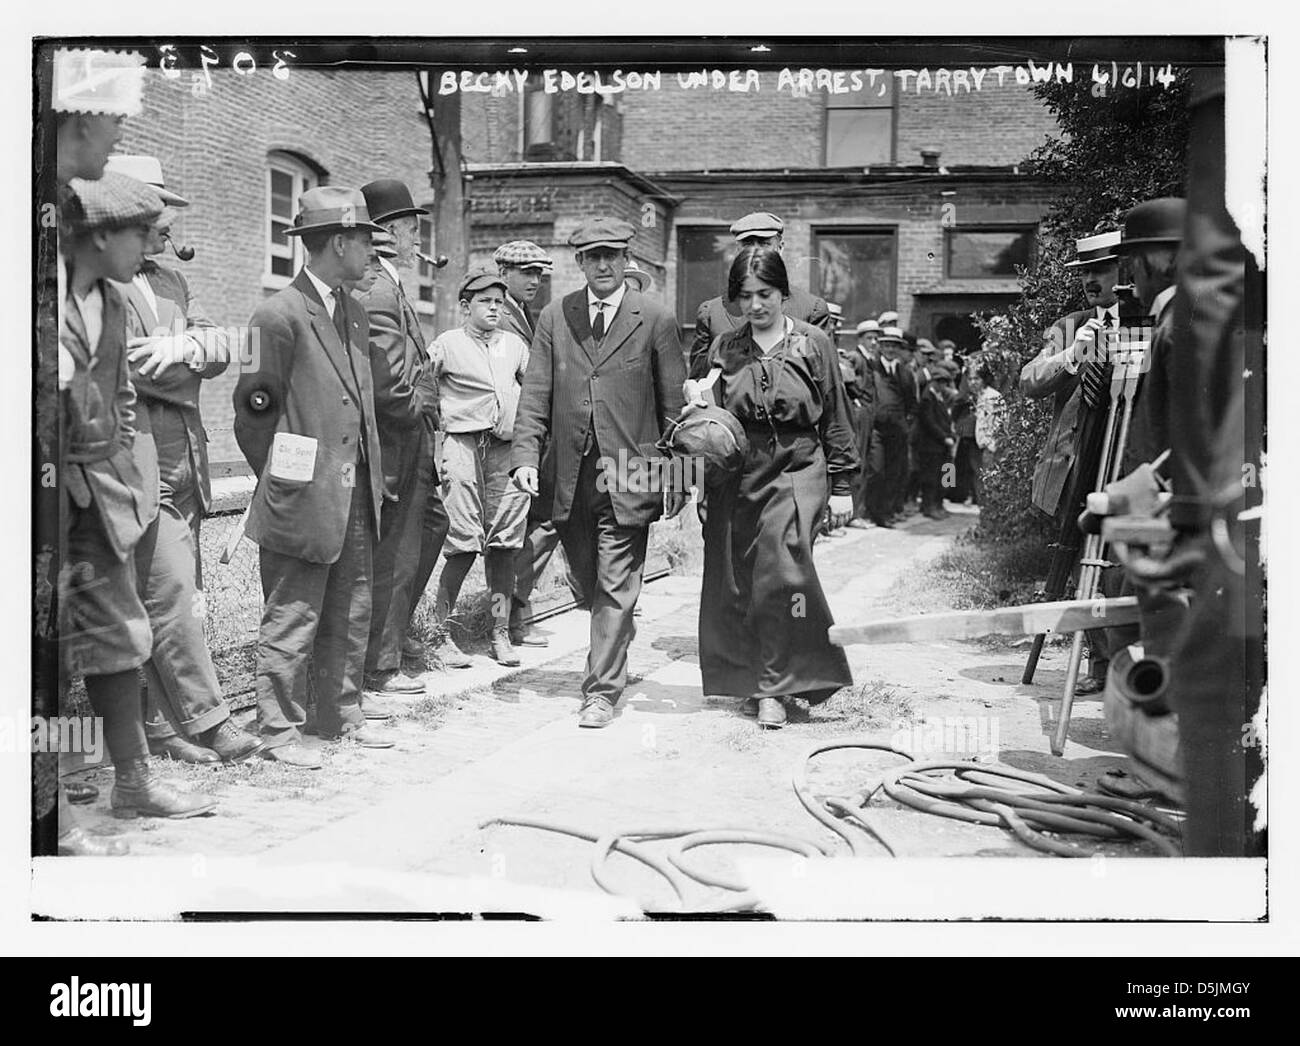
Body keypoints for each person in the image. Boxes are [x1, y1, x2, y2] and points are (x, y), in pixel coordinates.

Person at [60, 172, 217, 819]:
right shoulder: (46, 297)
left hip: (98, 493)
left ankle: (133, 781)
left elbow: (123, 397)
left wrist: (114, 470)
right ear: (100, 236)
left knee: (117, 633)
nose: (154, 243)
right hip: (46, 493)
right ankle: (52, 784)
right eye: (142, 232)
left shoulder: (113, 297)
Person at [107, 163, 262, 765]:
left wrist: (188, 345)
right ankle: (210, 720)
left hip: (187, 460)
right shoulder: (94, 281)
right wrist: (187, 367)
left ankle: (160, 727)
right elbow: (126, 370)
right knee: (170, 592)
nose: (169, 228)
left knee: (174, 595)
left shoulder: (172, 280)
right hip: (136, 457)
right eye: (159, 215)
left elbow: (225, 347)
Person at [233, 186, 390, 769]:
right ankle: (277, 729)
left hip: (354, 490)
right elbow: (252, 413)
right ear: (340, 243)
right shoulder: (277, 314)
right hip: (302, 496)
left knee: (351, 606)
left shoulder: (353, 310)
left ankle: (340, 713)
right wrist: (285, 482)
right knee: (293, 613)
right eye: (367, 240)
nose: (373, 252)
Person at [511, 217, 686, 728]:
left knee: (614, 583)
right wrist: (525, 458)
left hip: (631, 471)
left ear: (626, 259)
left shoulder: (655, 318)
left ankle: (601, 691)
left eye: (612, 255)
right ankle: (615, 632)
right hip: (569, 473)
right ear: (580, 262)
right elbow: (535, 395)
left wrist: (678, 476)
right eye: (593, 257)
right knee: (589, 583)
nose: (604, 264)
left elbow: (674, 408)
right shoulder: (556, 316)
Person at [684, 245, 857, 728]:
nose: (755, 305)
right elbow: (703, 422)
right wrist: (697, 403)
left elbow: (837, 415)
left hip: (798, 466)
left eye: (765, 293)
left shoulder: (813, 343)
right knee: (741, 580)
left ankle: (775, 690)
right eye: (745, 296)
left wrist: (843, 483)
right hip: (739, 472)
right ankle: (759, 679)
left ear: (783, 292)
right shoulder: (725, 348)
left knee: (783, 572)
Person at [1020, 229, 1123, 696]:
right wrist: (1070, 353)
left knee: (1119, 565)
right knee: (1081, 563)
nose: (1091, 281)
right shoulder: (1070, 325)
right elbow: (1030, 381)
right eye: (1085, 272)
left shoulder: (1144, 322)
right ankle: (1099, 665)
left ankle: (1124, 665)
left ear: (1125, 271)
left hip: (1121, 459)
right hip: (1074, 464)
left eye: (1101, 270)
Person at [355, 179, 448, 696]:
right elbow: (390, 383)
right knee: (396, 550)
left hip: (411, 438)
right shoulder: (378, 289)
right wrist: (427, 395)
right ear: (391, 232)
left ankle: (392, 633)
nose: (417, 242)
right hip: (400, 440)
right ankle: (379, 663)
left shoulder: (387, 285)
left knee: (430, 526)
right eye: (413, 230)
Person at [425, 266, 533, 667]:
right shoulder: (448, 343)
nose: (493, 308)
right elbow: (421, 383)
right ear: (465, 306)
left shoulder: (514, 345)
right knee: (463, 543)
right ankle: (439, 632)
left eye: (499, 302)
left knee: (504, 546)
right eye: (485, 302)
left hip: (505, 450)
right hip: (463, 445)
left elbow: (536, 391)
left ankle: (499, 631)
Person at [494, 240, 565, 649]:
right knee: (524, 524)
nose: (535, 280)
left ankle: (515, 610)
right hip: (510, 438)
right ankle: (510, 615)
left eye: (539, 273)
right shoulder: (501, 317)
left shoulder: (523, 313)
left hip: (529, 436)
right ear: (503, 273)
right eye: (526, 272)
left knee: (538, 521)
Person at [688, 211, 831, 379]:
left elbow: (824, 381)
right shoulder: (712, 313)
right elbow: (700, 380)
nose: (756, 251)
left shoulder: (810, 310)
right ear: (737, 250)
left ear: (780, 248)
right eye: (747, 244)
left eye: (764, 243)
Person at [862, 326, 917, 527]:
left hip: (897, 430)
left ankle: (886, 512)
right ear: (881, 346)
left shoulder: (906, 373)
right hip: (877, 429)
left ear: (899, 348)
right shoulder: (872, 368)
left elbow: (912, 402)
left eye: (894, 346)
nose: (890, 349)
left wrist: (905, 422)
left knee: (894, 472)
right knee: (876, 469)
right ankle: (871, 510)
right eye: (886, 345)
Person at [916, 360, 957, 520]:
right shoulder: (928, 397)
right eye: (941, 382)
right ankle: (929, 506)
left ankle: (938, 504)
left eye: (945, 382)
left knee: (945, 476)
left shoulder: (939, 396)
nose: (943, 385)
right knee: (930, 478)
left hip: (942, 445)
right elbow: (929, 422)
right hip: (931, 445)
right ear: (934, 381)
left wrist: (950, 435)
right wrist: (944, 437)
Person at [971, 361, 1005, 505]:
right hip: (981, 444)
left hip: (990, 446)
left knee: (990, 478)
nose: (973, 382)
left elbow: (1000, 421)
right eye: (971, 379)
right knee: (980, 477)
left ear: (984, 379)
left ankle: (991, 508)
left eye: (976, 379)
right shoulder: (978, 396)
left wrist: (992, 444)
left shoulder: (993, 396)